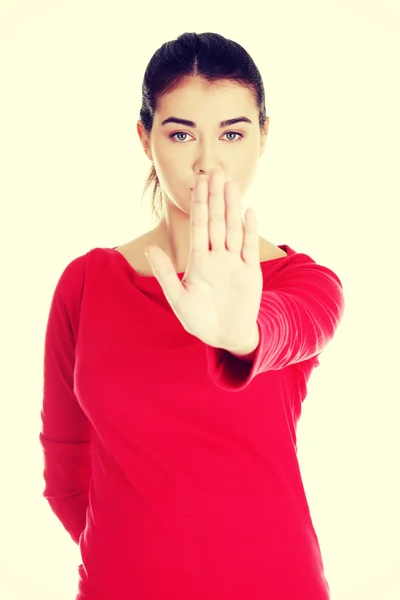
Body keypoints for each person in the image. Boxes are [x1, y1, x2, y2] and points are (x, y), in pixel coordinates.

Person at [39, 32, 345, 600]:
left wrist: (241, 333)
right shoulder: (85, 284)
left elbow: (295, 327)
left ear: (263, 137)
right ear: (145, 138)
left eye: (233, 132)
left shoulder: (304, 284)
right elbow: (65, 468)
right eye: (181, 133)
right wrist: (131, 559)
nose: (208, 161)